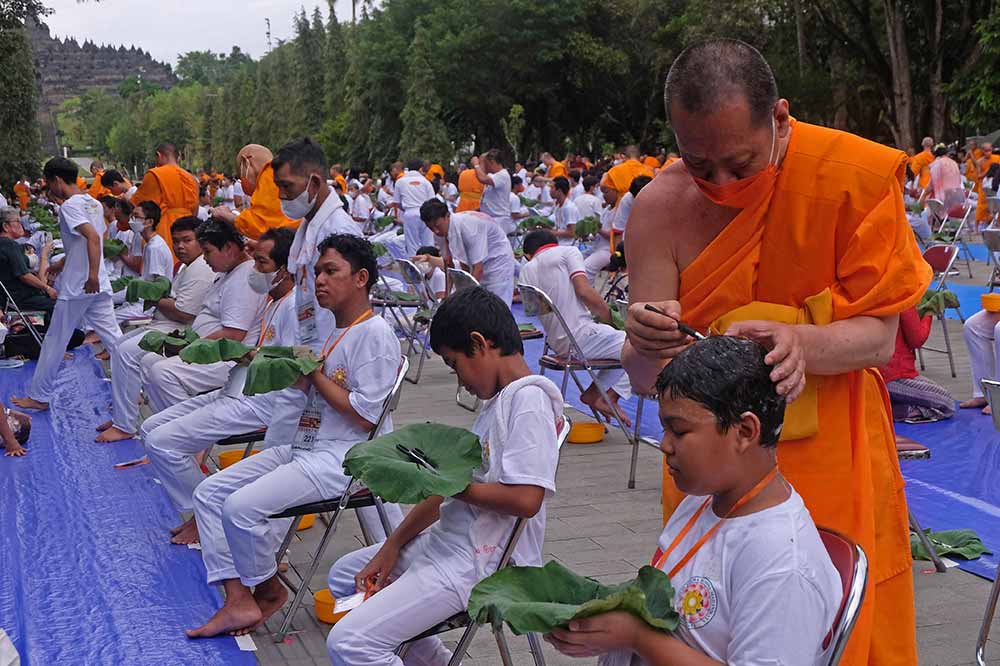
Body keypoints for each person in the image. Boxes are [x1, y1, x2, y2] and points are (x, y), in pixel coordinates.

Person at [621, 39, 927, 663]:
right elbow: (647, 376)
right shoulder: (658, 209)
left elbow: (879, 338)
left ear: (780, 119)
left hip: (831, 448)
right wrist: (645, 342)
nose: (723, 185)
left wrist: (800, 342)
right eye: (699, 165)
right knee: (705, 620)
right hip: (712, 463)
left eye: (741, 164)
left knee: (839, 628)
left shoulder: (850, 180)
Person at [546, 336, 841, 666]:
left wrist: (636, 637)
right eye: (664, 429)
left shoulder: (782, 564)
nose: (665, 445)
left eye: (679, 431)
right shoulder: (704, 500)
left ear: (745, 431)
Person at [325, 286, 563, 665]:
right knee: (345, 576)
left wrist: (448, 484)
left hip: (478, 563)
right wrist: (393, 545)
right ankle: (431, 659)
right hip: (449, 543)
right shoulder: (498, 402)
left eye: (454, 364)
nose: (459, 380)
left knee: (349, 643)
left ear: (479, 343)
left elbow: (526, 499)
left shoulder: (529, 401)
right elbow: (446, 491)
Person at [185, 234, 403, 638]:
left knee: (239, 508)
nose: (319, 280)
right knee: (209, 494)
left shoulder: (374, 334)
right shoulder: (333, 329)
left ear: (361, 278)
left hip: (345, 457)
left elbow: (365, 417)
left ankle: (267, 591)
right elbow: (313, 387)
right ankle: (240, 598)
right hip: (308, 445)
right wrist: (290, 372)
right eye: (317, 272)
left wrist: (314, 375)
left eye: (331, 271)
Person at [143, 228, 297, 545]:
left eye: (262, 263)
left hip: (259, 402)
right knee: (149, 428)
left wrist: (235, 352)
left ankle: (205, 518)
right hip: (237, 387)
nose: (255, 269)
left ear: (285, 269)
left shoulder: (295, 308)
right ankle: (203, 512)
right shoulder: (275, 300)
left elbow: (288, 367)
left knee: (162, 442)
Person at [95, 218, 252, 442]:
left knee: (155, 368)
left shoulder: (239, 277)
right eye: (176, 241)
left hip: (218, 352)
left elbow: (231, 334)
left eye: (205, 250)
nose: (204, 257)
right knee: (137, 356)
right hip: (194, 338)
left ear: (228, 248)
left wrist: (189, 346)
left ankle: (187, 439)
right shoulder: (222, 270)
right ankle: (155, 428)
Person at [12, 158, 123, 412]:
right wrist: (62, 264)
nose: (50, 188)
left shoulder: (70, 206)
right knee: (115, 340)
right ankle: (131, 392)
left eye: (49, 183)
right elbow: (86, 243)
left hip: (80, 286)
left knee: (54, 340)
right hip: (97, 284)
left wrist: (90, 275)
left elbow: (92, 238)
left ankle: (39, 396)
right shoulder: (93, 203)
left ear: (57, 180)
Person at [520, 229, 632, 425]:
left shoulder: (525, 270)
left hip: (557, 343)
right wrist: (611, 318)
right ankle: (609, 396)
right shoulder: (567, 252)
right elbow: (584, 291)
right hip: (580, 338)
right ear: (554, 242)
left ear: (528, 255)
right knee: (639, 345)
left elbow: (536, 311)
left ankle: (595, 393)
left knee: (622, 345)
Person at [418, 199, 516, 306]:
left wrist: (465, 299)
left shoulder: (469, 228)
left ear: (447, 216)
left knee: (497, 306)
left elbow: (478, 269)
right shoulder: (439, 233)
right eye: (431, 228)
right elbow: (448, 264)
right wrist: (446, 297)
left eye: (437, 226)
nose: (436, 231)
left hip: (498, 262)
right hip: (476, 264)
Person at [879, 306, 954, 422]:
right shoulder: (903, 300)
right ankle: (891, 411)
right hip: (893, 375)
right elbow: (917, 339)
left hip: (873, 372)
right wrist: (929, 312)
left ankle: (883, 404)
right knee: (947, 404)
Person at [211, 144, 299, 239]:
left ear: (246, 162)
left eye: (240, 176)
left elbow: (260, 226)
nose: (242, 181)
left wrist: (226, 215)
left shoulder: (268, 175)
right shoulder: (281, 173)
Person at [130, 142, 199, 250]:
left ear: (159, 155)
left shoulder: (155, 174)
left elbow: (139, 207)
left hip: (164, 232)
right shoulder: (192, 179)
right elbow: (195, 211)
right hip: (188, 233)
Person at [114, 201, 174, 322]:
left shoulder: (155, 248)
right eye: (132, 216)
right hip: (142, 297)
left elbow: (157, 287)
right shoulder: (148, 244)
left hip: (149, 305)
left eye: (136, 217)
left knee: (109, 318)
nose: (132, 220)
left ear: (150, 222)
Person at [0, 207, 58, 315]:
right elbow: (24, 275)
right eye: (17, 221)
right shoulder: (8, 244)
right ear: (5, 226)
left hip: (10, 297)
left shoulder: (8, 245)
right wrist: (47, 288)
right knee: (60, 306)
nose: (21, 224)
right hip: (19, 298)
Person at [393, 159, 437, 255]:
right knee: (428, 242)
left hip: (409, 213)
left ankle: (414, 263)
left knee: (412, 244)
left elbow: (396, 203)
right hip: (426, 213)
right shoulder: (426, 182)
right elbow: (432, 201)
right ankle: (431, 262)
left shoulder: (400, 182)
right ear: (420, 168)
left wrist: (407, 209)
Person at [472, 149, 514, 235]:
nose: (485, 166)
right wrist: (482, 159)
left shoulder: (503, 175)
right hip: (490, 217)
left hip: (499, 218)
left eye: (486, 164)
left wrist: (476, 164)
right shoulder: (492, 175)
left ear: (492, 162)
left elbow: (482, 178)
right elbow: (482, 174)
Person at [551, 176, 580, 245]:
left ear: (559, 191)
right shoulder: (558, 206)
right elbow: (559, 227)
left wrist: (551, 233)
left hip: (568, 245)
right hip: (560, 242)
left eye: (552, 188)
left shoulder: (569, 207)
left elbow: (572, 233)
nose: (550, 190)